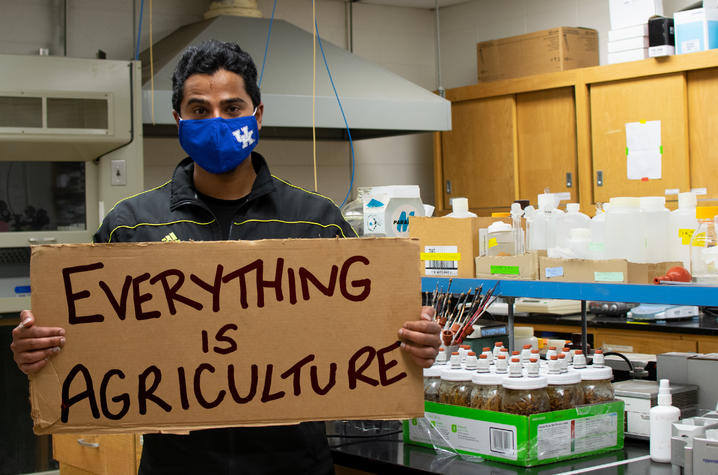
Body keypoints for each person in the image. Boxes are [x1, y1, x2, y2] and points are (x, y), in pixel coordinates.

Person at [10, 40, 440, 474]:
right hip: (177, 467)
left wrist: (416, 343)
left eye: (232, 108)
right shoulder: (133, 226)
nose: (216, 122)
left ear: (258, 116)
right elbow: (84, 341)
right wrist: (38, 351)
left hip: (293, 465)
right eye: (199, 110)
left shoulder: (316, 222)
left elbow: (373, 335)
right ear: (178, 120)